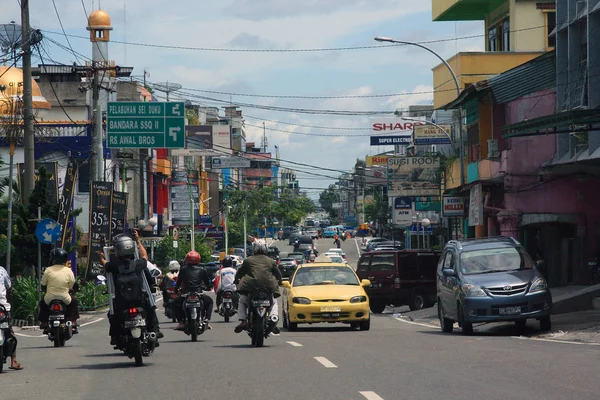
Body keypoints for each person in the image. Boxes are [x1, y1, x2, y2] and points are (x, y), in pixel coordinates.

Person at [98, 231, 163, 346]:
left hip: (122, 302)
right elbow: (144, 257)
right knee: (151, 309)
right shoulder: (137, 264)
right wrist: (138, 240)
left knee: (112, 315)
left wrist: (101, 255)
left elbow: (104, 263)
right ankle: (155, 331)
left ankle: (115, 337)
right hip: (139, 300)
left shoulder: (115, 266)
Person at [234, 237, 282, 334]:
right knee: (273, 302)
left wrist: (236, 281)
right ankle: (273, 317)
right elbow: (278, 275)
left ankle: (243, 321)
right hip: (268, 286)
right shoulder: (271, 261)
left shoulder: (248, 260)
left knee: (242, 301)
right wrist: (279, 282)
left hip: (251, 286)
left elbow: (240, 273)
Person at [38, 248, 79, 333]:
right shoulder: (68, 270)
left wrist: (44, 289)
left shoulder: (48, 270)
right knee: (74, 302)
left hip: (49, 298)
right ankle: (72, 321)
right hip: (65, 298)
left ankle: (44, 322)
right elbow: (72, 284)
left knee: (42, 303)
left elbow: (43, 284)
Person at [174, 251, 214, 330]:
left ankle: (181, 322)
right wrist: (208, 287)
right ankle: (207, 320)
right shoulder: (202, 270)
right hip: (198, 293)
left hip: (186, 293)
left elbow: (178, 282)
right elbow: (207, 283)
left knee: (175, 303)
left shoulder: (183, 270)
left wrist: (176, 290)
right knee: (209, 301)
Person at [0, 265, 23, 370]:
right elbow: (9, 287)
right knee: (10, 331)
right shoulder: (1, 270)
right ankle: (13, 361)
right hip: (3, 307)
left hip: (3, 308)